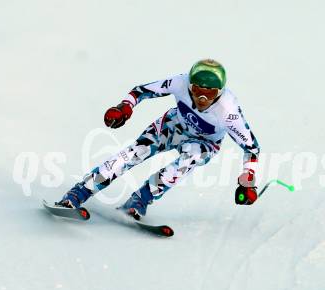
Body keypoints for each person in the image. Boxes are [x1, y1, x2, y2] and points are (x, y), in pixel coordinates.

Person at [57, 59, 261, 220]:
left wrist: (248, 180)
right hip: (172, 126)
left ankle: (139, 201)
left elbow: (251, 148)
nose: (202, 100)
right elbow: (141, 91)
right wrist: (125, 107)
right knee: (134, 153)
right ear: (190, 85)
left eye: (209, 94)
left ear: (220, 92)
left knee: (183, 164)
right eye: (197, 91)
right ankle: (77, 194)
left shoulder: (229, 111)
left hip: (204, 143)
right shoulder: (180, 82)